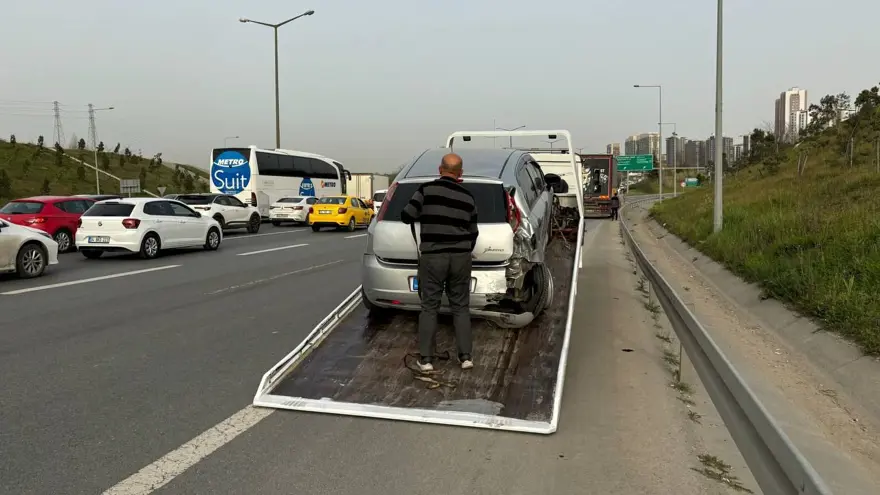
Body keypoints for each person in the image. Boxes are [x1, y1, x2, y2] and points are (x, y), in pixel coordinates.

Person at [400, 153, 478, 371]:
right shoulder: (468, 197)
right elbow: (474, 232)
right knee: (461, 307)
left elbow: (407, 215)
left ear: (439, 169)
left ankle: (426, 360)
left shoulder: (425, 190)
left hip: (433, 257)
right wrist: (462, 251)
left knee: (429, 307)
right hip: (461, 258)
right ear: (460, 173)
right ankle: (465, 357)